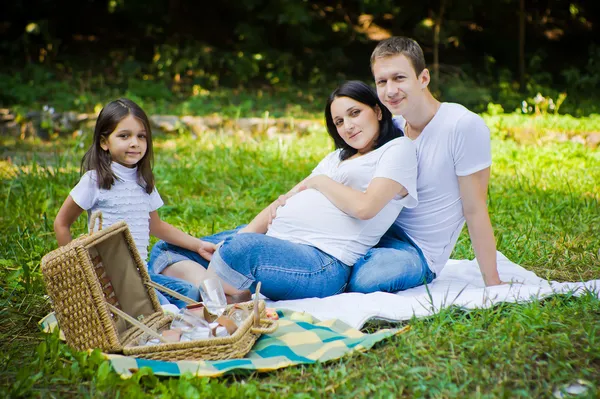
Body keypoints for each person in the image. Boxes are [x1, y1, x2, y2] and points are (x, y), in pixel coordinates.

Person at [148, 81, 419, 301]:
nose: (347, 126)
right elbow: (283, 200)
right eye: (338, 121)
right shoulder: (337, 157)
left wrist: (320, 182)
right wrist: (237, 238)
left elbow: (365, 208)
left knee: (239, 251)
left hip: (322, 263)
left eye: (355, 113)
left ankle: (209, 289)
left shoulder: (397, 150)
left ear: (379, 111)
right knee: (166, 249)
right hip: (277, 240)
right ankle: (215, 292)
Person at [344, 36, 504, 292]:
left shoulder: (462, 125)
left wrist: (493, 284)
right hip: (377, 231)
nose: (390, 90)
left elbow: (475, 209)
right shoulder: (392, 129)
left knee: (369, 278)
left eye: (399, 78)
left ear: (423, 78)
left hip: (418, 251)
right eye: (381, 82)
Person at [53, 98, 217, 306]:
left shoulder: (143, 181)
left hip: (142, 274)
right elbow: (62, 223)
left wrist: (199, 245)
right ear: (104, 142)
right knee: (162, 307)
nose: (134, 143)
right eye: (124, 136)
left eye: (141, 136)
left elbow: (155, 226)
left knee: (189, 292)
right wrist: (74, 274)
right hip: (112, 279)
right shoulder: (94, 181)